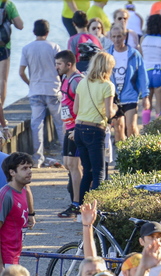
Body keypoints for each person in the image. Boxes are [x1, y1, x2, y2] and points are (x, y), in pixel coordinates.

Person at [71, 50, 114, 204]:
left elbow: (75, 110)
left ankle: (81, 208)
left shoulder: (83, 82)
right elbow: (109, 113)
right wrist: (115, 108)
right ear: (108, 68)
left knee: (87, 172)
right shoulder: (107, 86)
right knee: (99, 173)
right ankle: (96, 210)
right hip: (95, 130)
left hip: (79, 130)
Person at [19, 20, 63, 168]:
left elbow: (21, 72)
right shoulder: (54, 47)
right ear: (48, 32)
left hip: (36, 90)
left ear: (34, 32)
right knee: (60, 123)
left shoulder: (27, 48)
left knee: (36, 125)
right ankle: (66, 155)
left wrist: (30, 83)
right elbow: (60, 67)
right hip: (53, 90)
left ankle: (38, 159)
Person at [106, 23, 147, 141]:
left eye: (119, 36)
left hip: (130, 95)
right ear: (110, 37)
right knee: (118, 127)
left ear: (124, 37)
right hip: (114, 97)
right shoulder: (107, 54)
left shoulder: (134, 54)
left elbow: (142, 75)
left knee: (131, 126)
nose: (116, 39)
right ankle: (121, 156)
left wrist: (145, 95)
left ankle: (137, 152)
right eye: (113, 37)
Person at [54, 49, 83, 218]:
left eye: (59, 64)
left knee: (74, 166)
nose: (56, 67)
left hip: (76, 128)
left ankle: (77, 204)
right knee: (67, 164)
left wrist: (77, 128)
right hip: (69, 127)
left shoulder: (76, 81)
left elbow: (83, 105)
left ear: (69, 64)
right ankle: (76, 199)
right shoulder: (65, 78)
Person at [0, 152, 33, 268]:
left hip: (15, 256)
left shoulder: (22, 190)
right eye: (24, 168)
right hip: (6, 260)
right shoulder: (6, 196)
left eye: (30, 167)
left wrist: (31, 214)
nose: (29, 171)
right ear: (12, 172)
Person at [139, 13, 161, 118]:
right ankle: (159, 130)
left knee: (146, 105)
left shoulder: (143, 39)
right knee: (159, 105)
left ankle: (145, 130)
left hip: (146, 73)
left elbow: (142, 58)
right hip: (159, 73)